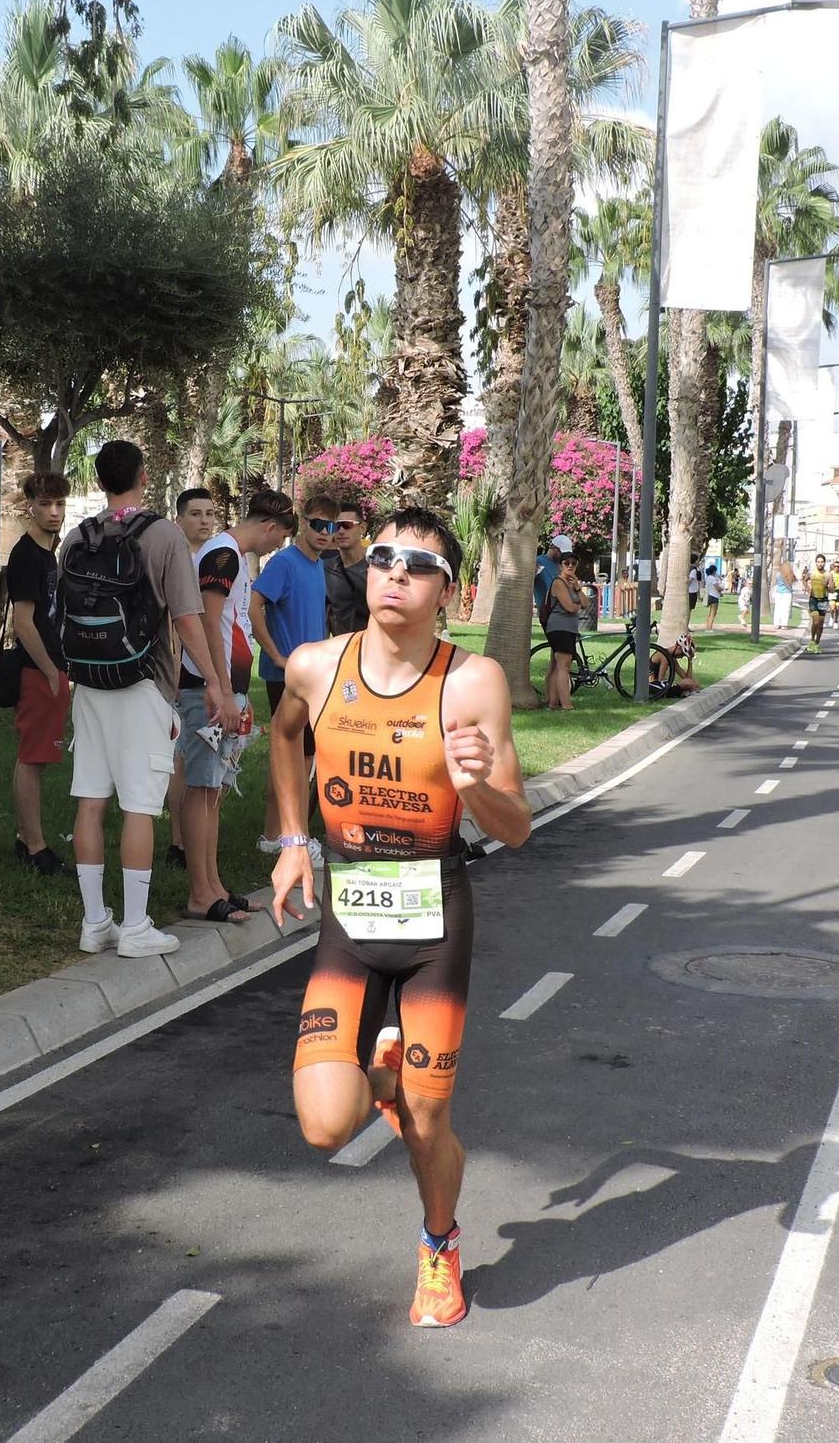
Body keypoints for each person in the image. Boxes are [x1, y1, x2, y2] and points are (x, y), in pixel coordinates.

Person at [269, 506, 531, 1329]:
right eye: (381, 556)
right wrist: (290, 840)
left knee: (427, 1122)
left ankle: (439, 1244)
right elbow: (285, 739)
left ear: (449, 592)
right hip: (350, 919)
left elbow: (515, 827)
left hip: (433, 924)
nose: (393, 573)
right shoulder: (315, 667)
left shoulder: (470, 681)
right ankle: (383, 1078)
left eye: (418, 566)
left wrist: (477, 784)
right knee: (323, 1123)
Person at [59, 439, 229, 958]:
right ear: (143, 475)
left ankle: (94, 923)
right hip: (143, 683)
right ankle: (135, 927)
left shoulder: (76, 536)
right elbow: (186, 616)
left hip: (88, 681)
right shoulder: (163, 535)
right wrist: (215, 682)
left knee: (90, 799)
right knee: (139, 806)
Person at [177, 488, 294, 921]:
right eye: (277, 539)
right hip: (209, 690)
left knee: (215, 790)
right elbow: (207, 622)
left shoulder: (231, 556)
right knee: (203, 787)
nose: (274, 547)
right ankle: (200, 892)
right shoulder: (223, 555)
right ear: (269, 527)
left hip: (227, 688)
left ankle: (213, 885)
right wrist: (221, 690)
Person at [251, 489, 338, 860]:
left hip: (312, 676)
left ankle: (275, 834)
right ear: (302, 523)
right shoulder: (283, 563)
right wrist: (277, 656)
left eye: (331, 526)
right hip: (286, 677)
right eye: (317, 524)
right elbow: (254, 609)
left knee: (296, 759)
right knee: (296, 760)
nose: (324, 532)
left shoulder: (319, 565)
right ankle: (293, 838)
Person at [6, 471, 74, 876]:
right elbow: (24, 622)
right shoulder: (27, 554)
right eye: (46, 504)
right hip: (38, 669)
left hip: (52, 666)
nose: (53, 512)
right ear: (30, 505)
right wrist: (50, 671)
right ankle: (35, 848)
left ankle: (26, 837)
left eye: (60, 504)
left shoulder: (48, 552)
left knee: (37, 757)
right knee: (32, 758)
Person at [166, 486, 225, 867]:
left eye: (208, 513)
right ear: (180, 520)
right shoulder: (176, 561)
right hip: (179, 674)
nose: (203, 520)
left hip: (203, 675)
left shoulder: (215, 560)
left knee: (195, 760)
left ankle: (189, 841)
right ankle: (178, 840)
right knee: (178, 759)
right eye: (195, 514)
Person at [322, 503, 371, 636]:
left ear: (362, 528)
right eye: (336, 526)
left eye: (347, 525)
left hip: (376, 647)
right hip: (345, 649)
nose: (341, 531)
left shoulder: (378, 566)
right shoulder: (325, 569)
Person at [543, 555, 584, 709]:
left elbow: (586, 602)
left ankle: (553, 702)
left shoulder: (573, 584)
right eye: (567, 563)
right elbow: (570, 607)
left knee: (558, 665)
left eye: (574, 563)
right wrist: (578, 606)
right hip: (559, 628)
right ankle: (566, 704)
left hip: (569, 628)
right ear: (561, 565)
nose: (570, 566)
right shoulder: (558, 583)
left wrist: (578, 588)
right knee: (564, 666)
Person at [535, 534, 570, 628]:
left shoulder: (561, 566)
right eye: (561, 553)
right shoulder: (538, 562)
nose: (563, 556)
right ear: (554, 548)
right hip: (548, 613)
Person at [175, 486, 221, 551]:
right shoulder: (167, 557)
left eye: (209, 514)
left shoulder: (224, 555)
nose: (204, 521)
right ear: (179, 521)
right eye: (195, 514)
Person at [804, 553, 831, 653]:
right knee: (815, 621)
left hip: (823, 600)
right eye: (818, 562)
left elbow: (832, 589)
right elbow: (804, 579)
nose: (820, 564)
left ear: (824, 563)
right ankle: (812, 641)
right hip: (813, 599)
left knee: (820, 624)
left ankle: (817, 643)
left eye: (822, 562)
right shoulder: (811, 573)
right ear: (816, 563)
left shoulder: (828, 574)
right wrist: (807, 588)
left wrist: (827, 586)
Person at [701, 560, 723, 629]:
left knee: (711, 613)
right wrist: (722, 588)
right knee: (713, 613)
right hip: (714, 596)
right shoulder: (712, 578)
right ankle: (709, 628)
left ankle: (708, 626)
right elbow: (718, 587)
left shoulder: (708, 578)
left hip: (711, 595)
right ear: (714, 571)